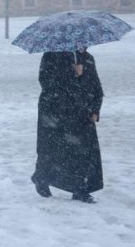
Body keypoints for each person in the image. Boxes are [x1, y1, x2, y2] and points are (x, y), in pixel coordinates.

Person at [31, 49, 104, 203]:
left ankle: (80, 189)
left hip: (82, 111)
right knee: (52, 148)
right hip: (55, 111)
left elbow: (95, 85)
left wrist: (96, 108)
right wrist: (72, 74)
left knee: (84, 151)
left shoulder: (88, 58)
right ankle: (42, 178)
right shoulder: (51, 55)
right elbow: (46, 82)